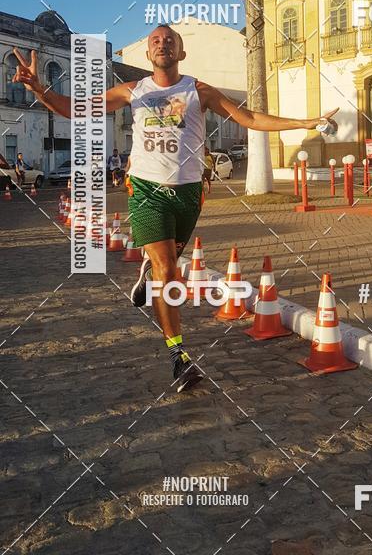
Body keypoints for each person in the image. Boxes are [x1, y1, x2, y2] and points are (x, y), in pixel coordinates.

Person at [12, 25, 338, 392]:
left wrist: (305, 122)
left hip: (188, 195)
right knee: (168, 272)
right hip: (147, 191)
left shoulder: (199, 91)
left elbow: (248, 118)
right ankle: (178, 356)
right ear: (148, 54)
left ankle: (149, 268)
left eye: (170, 40)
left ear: (181, 53)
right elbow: (76, 109)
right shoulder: (133, 91)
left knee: (166, 265)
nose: (162, 43)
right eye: (155, 40)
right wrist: (39, 89)